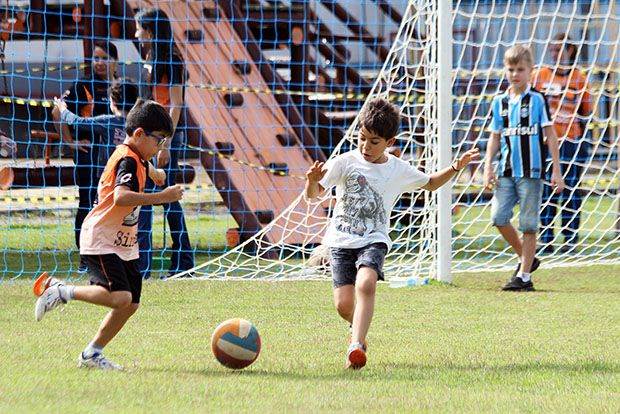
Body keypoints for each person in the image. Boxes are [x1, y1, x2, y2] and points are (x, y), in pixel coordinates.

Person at [304, 98, 479, 369]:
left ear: (390, 142)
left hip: (373, 240)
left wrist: (455, 167)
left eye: (374, 142)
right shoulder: (344, 162)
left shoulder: (397, 169)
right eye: (362, 138)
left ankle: (355, 345)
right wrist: (312, 182)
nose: (366, 146)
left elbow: (431, 183)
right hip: (340, 242)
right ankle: (358, 329)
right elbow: (313, 195)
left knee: (366, 284)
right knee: (343, 305)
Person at [32, 99, 182, 370]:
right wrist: (162, 196)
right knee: (120, 297)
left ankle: (92, 353)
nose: (160, 147)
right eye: (159, 140)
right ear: (139, 134)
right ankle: (61, 291)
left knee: (131, 304)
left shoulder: (133, 154)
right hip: (101, 239)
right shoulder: (127, 159)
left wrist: (154, 171)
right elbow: (121, 197)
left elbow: (139, 162)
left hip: (122, 242)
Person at [483, 45, 565, 292]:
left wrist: (556, 170)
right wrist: (488, 167)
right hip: (506, 170)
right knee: (498, 217)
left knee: (528, 224)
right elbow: (495, 136)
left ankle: (525, 277)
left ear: (530, 70)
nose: (515, 74)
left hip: (532, 171)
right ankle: (528, 258)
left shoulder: (537, 100)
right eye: (511, 69)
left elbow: (550, 135)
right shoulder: (499, 101)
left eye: (520, 69)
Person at [134, 8, 194, 278]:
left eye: (139, 28)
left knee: (166, 199)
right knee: (152, 198)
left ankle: (181, 262)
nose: (136, 33)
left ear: (150, 31)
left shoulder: (172, 60)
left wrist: (165, 144)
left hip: (165, 138)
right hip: (149, 137)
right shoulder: (151, 57)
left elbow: (176, 104)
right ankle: (149, 264)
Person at [52, 41, 119, 272]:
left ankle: (112, 253)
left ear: (115, 61)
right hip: (89, 157)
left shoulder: (121, 87)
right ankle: (85, 258)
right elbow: (57, 111)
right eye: (96, 58)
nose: (99, 62)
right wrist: (70, 142)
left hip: (116, 158)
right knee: (88, 203)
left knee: (114, 204)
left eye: (104, 58)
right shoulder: (82, 85)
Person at [532, 34, 593, 253]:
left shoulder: (579, 79)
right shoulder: (539, 76)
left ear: (570, 51)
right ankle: (546, 238)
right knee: (545, 190)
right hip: (544, 142)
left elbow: (586, 112)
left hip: (570, 141)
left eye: (559, 50)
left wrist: (578, 138)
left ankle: (570, 238)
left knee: (570, 190)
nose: (555, 54)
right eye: (552, 49)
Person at [53, 78, 140, 170]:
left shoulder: (107, 121)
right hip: (132, 169)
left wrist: (62, 108)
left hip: (110, 172)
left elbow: (77, 121)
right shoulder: (138, 123)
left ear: (113, 102)